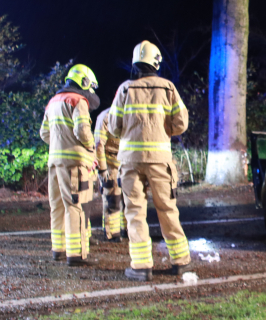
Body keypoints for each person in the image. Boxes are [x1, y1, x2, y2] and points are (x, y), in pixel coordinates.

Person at [107, 40, 190, 281]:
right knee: (167, 209)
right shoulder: (168, 88)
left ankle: (141, 266)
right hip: (160, 161)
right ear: (156, 62)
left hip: (130, 161)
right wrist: (163, 132)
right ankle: (180, 261)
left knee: (134, 212)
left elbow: (113, 127)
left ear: (135, 62)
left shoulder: (124, 89)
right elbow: (181, 123)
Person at [40, 64, 100, 266]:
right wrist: (91, 146)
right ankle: (75, 254)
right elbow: (83, 131)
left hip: (54, 163)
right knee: (75, 206)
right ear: (84, 82)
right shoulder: (78, 101)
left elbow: (44, 134)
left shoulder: (52, 102)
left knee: (56, 206)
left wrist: (60, 143)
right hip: (74, 163)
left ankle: (59, 249)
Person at [94, 107, 127, 242]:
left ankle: (126, 229)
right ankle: (112, 233)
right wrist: (102, 169)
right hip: (110, 164)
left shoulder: (130, 112)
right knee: (112, 199)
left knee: (129, 199)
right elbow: (98, 144)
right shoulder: (106, 116)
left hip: (126, 163)